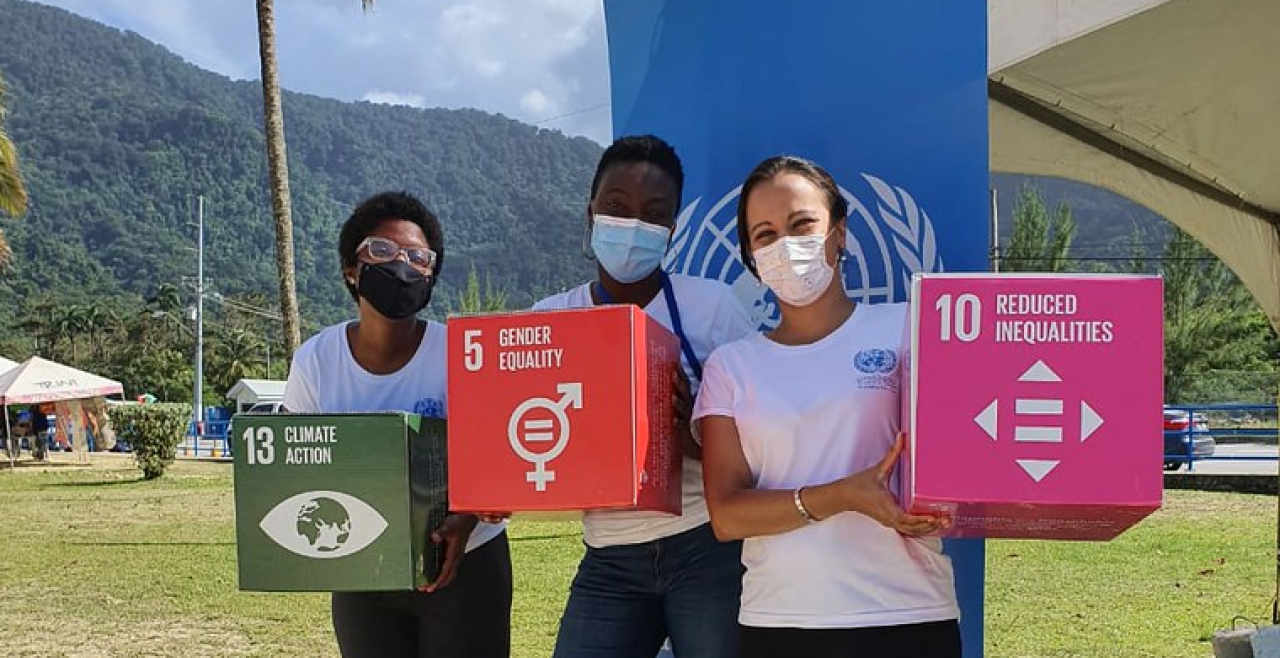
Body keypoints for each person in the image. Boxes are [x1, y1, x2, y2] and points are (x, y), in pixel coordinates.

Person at [693, 156, 960, 658]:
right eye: (765, 235)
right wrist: (842, 495)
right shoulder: (731, 367)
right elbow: (727, 516)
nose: (785, 246)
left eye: (802, 225)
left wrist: (951, 507)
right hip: (779, 621)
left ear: (839, 233)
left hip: (908, 613)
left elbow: (968, 449)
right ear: (752, 257)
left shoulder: (911, 328)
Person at [534, 135, 755, 658]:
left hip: (707, 548)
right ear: (590, 211)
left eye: (654, 214)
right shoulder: (550, 321)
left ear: (672, 229)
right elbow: (527, 439)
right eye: (616, 207)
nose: (632, 225)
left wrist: (691, 439)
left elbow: (766, 445)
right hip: (608, 555)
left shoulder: (714, 310)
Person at [283, 191, 511, 658]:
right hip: (361, 569)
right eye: (382, 251)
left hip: (464, 567)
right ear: (352, 267)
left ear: (431, 277)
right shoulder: (315, 361)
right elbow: (292, 466)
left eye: (418, 258)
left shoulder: (463, 356)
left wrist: (465, 521)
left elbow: (502, 461)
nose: (402, 264)